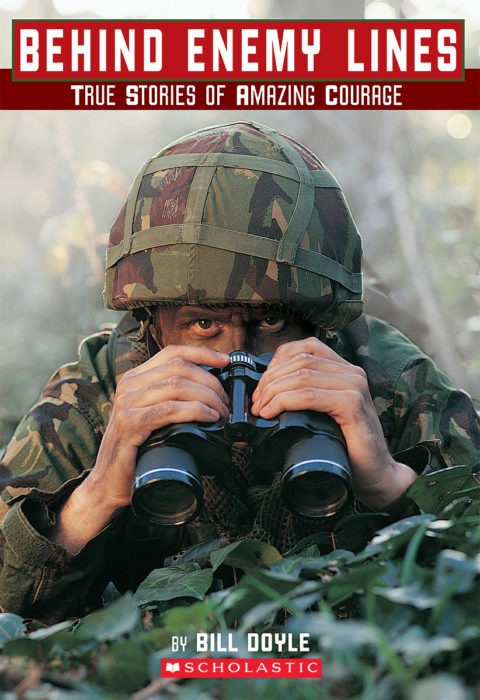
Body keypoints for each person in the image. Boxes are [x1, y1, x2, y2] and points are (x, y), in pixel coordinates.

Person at [1, 121, 478, 625]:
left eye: (271, 320)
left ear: (319, 321)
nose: (238, 359)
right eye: (203, 323)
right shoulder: (94, 392)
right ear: (153, 323)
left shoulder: (385, 374)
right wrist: (94, 498)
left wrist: (389, 481)